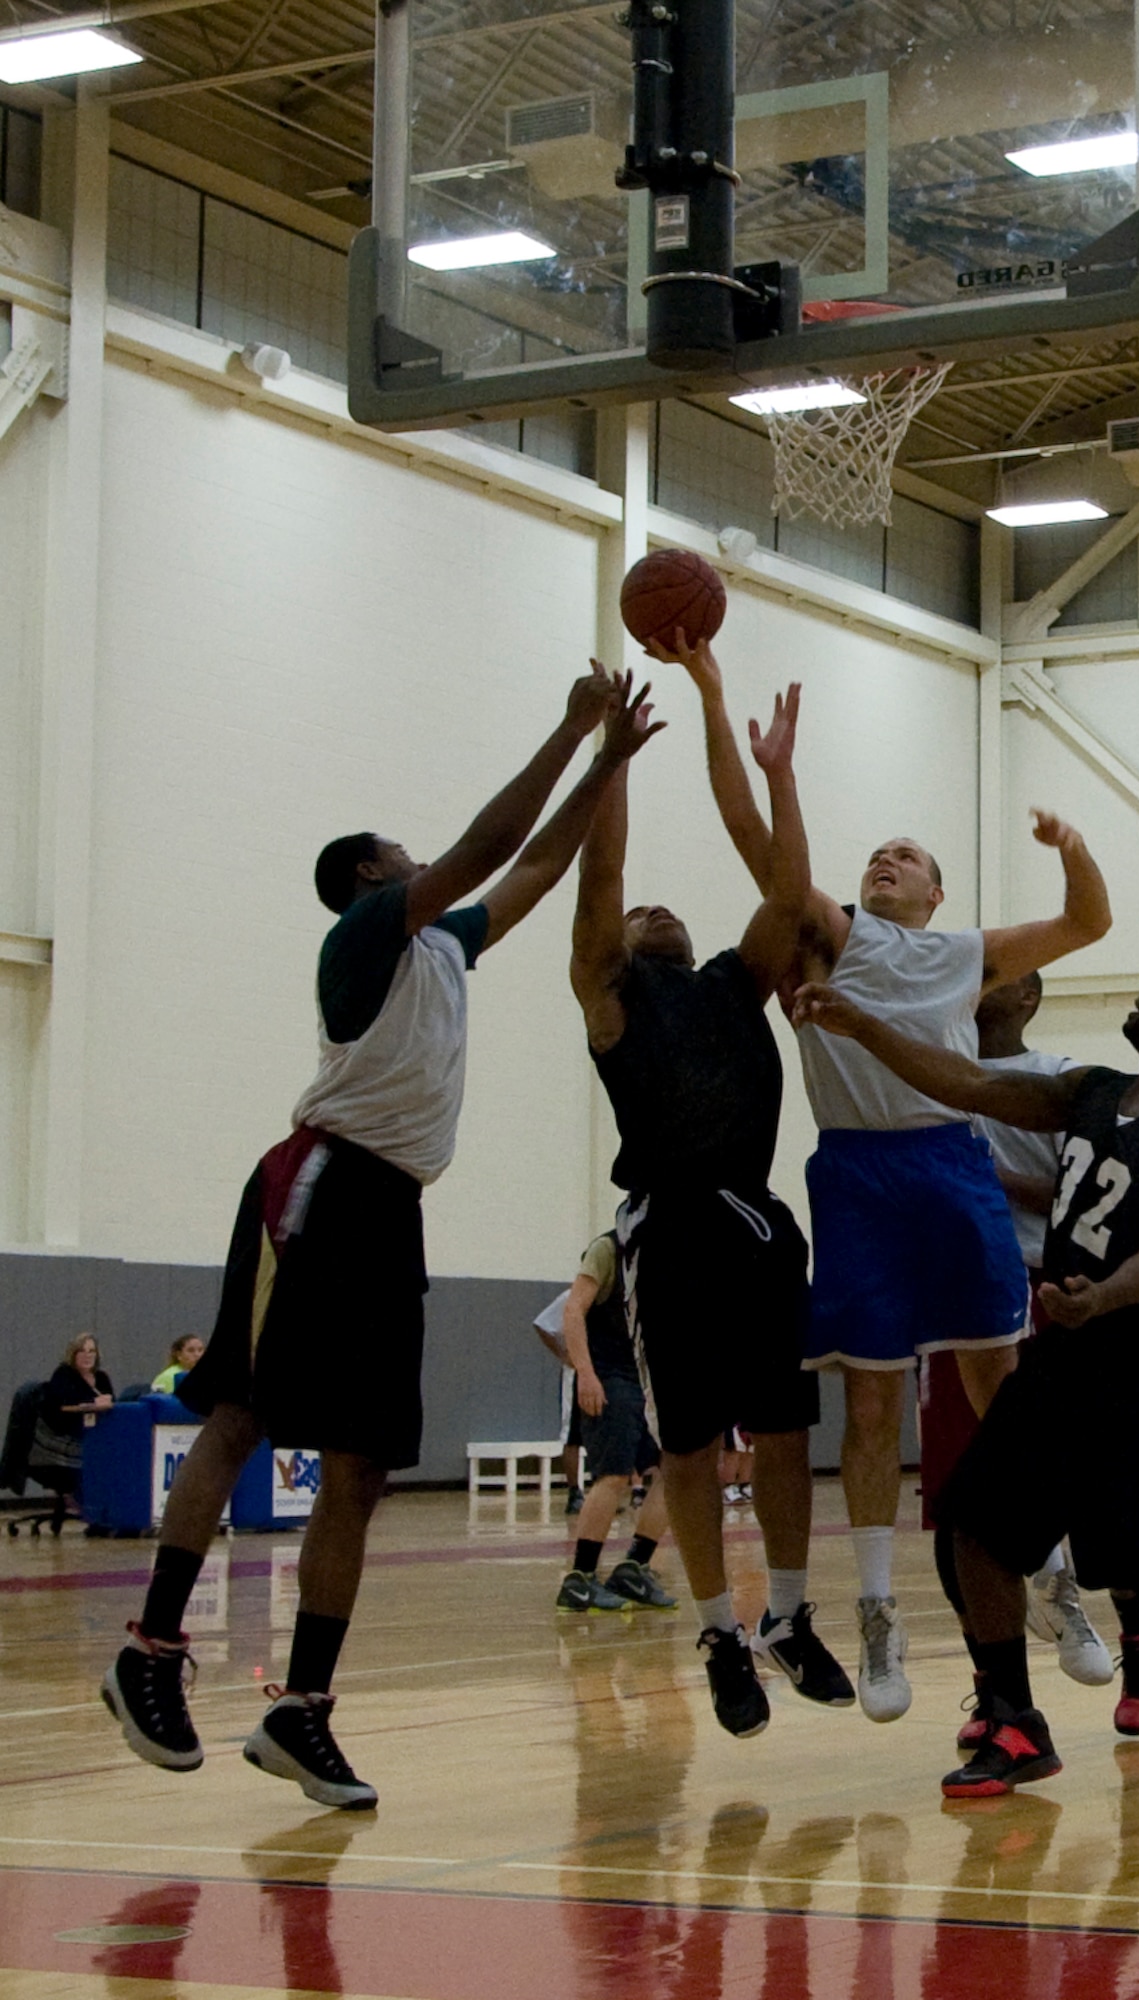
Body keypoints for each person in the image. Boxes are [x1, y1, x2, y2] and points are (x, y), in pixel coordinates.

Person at [102, 665, 660, 1809]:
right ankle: (148, 1648)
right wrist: (570, 728)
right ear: (368, 872)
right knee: (243, 1410)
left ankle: (300, 1709)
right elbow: (493, 840)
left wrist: (607, 770)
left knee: (359, 1466)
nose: (418, 861)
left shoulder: (445, 946)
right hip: (316, 1185)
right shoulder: (366, 930)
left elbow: (539, 866)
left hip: (392, 1210)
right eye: (399, 851)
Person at [664, 634, 1111, 1723]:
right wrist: (740, 728)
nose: (884, 861)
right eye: (875, 854)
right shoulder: (827, 940)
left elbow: (1090, 920)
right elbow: (751, 840)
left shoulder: (965, 952)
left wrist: (1072, 843)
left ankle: (1053, 1572)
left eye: (904, 854)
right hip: (859, 1173)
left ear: (938, 887)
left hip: (950, 1162)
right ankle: (874, 1609)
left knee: (998, 1383)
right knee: (870, 1406)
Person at [793, 962, 1139, 1797]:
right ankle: (1013, 1721)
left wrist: (1104, 1296)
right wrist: (862, 1029)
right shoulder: (1090, 1091)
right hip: (1068, 1338)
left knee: (1128, 1540)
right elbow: (969, 1082)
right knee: (971, 1522)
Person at [569, 680, 852, 1737]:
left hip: (761, 1225)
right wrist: (614, 762)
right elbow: (602, 881)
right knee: (685, 1449)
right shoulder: (612, 997)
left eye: (663, 912)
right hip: (673, 1232)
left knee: (782, 1433)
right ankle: (718, 1632)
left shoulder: (737, 978)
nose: (656, 911)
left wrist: (768, 759)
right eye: (644, 916)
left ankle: (784, 1611)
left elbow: (788, 885)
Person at [923, 972, 1112, 1698]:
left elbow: (1078, 1195)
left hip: (1040, 1281)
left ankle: (1070, 1595)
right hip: (952, 1289)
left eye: (998, 976)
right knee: (955, 1497)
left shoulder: (1058, 1080)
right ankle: (997, 1687)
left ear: (1029, 997)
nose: (979, 983)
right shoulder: (935, 1071)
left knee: (1048, 1470)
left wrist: (983, 1176)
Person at [555, 1227, 677, 1613]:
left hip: (646, 1381)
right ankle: (580, 1577)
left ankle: (634, 1567)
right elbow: (572, 1310)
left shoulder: (665, 1254)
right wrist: (585, 1373)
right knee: (614, 1475)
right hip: (611, 1377)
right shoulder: (609, 1250)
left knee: (674, 1472)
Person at [31, 1334, 114, 1502]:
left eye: (91, 1351)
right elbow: (66, 1403)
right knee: (97, 1456)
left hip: (95, 1431)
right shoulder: (64, 1374)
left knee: (119, 1451)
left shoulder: (101, 1377)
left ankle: (110, 1507)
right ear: (73, 1354)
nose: (87, 1355)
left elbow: (112, 1401)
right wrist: (92, 1403)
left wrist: (107, 1402)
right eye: (81, 1351)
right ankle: (90, 1506)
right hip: (61, 1435)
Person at [532, 1291, 586, 1513]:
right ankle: (574, 1492)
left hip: (606, 1372)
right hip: (576, 1373)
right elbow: (542, 1324)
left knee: (607, 1431)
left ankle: (606, 1489)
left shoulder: (614, 1296)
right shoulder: (571, 1297)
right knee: (572, 1433)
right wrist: (563, 1353)